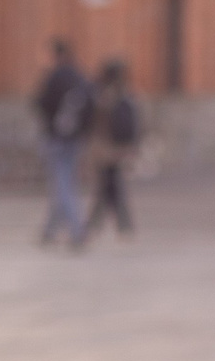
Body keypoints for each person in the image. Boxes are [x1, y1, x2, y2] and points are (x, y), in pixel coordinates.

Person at [33, 37, 93, 249]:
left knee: (62, 186)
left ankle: (77, 231)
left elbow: (40, 103)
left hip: (57, 138)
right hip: (76, 138)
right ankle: (49, 231)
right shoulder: (79, 75)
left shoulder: (55, 76)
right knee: (63, 183)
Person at [86, 57, 141, 238]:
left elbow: (96, 121)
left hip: (105, 149)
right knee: (112, 186)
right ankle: (121, 225)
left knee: (108, 187)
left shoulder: (101, 94)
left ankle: (98, 224)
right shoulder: (125, 93)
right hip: (118, 149)